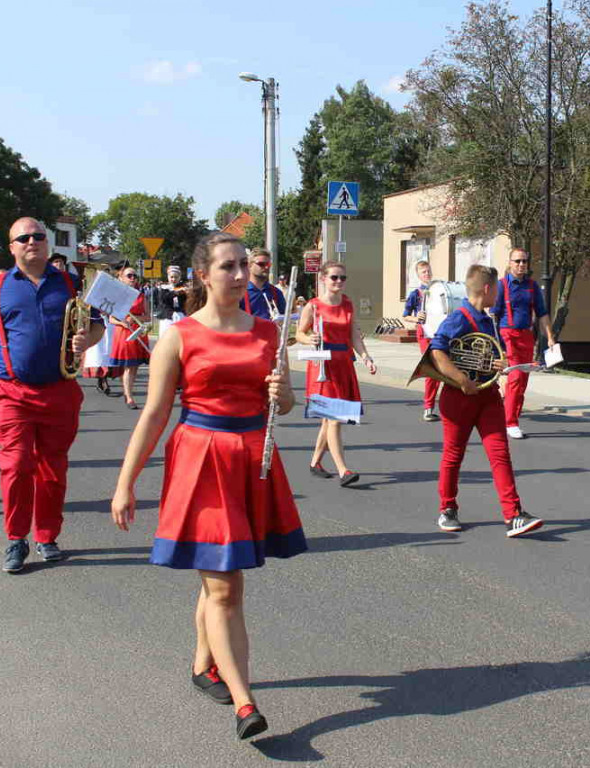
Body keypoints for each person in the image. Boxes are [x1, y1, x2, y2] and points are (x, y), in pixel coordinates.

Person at [111, 232, 305, 741]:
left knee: (219, 574)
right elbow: (154, 414)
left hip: (251, 459)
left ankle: (203, 664)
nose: (241, 275)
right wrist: (125, 483)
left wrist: (285, 394)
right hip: (202, 459)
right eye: (228, 267)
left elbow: (282, 406)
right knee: (225, 584)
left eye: (245, 265)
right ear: (203, 274)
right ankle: (245, 703)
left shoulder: (268, 332)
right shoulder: (178, 335)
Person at [0, 217, 103, 574]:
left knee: (52, 469)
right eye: (23, 237)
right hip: (12, 392)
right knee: (15, 466)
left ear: (47, 242)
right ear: (11, 247)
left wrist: (89, 339)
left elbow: (97, 323)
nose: (32, 242)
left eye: (38, 236)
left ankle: (47, 535)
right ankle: (16, 538)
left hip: (59, 391)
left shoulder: (71, 283)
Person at [430, 264, 544, 538]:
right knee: (453, 455)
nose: (500, 292)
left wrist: (497, 364)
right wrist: (462, 380)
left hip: (488, 394)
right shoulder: (459, 317)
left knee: (500, 454)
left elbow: (482, 354)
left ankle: (513, 515)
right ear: (487, 288)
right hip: (460, 396)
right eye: (497, 287)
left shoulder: (488, 318)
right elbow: (437, 353)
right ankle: (447, 509)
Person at [295, 261, 376, 486]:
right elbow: (299, 333)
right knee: (334, 419)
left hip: (343, 365)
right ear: (323, 279)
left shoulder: (348, 304)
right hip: (323, 367)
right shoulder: (313, 306)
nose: (339, 281)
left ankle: (315, 463)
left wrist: (366, 357)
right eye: (334, 277)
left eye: (342, 278)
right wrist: (309, 338)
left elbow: (354, 336)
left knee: (328, 420)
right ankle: (343, 470)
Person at [492, 248, 556, 439]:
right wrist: (498, 344)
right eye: (517, 261)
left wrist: (550, 337)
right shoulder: (502, 285)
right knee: (516, 378)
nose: (521, 265)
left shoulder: (532, 286)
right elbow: (494, 315)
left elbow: (542, 313)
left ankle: (511, 417)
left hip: (526, 336)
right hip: (507, 335)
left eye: (524, 262)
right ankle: (510, 422)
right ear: (510, 263)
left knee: (523, 381)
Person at [401, 259, 441, 421]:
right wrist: (416, 318)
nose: (427, 274)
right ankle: (428, 407)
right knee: (432, 370)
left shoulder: (438, 290)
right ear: (418, 275)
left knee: (444, 370)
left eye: (428, 271)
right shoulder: (415, 294)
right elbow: (405, 316)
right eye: (424, 272)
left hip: (439, 333)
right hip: (424, 333)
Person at [107, 267, 151, 409]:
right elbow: (111, 319)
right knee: (128, 366)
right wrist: (122, 322)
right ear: (122, 278)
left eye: (134, 275)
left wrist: (136, 318)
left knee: (134, 367)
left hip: (137, 332)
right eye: (129, 275)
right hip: (123, 333)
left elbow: (148, 316)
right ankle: (129, 396)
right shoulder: (117, 296)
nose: (132, 278)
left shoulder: (141, 295)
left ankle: (128, 393)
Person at [242, 248, 286, 321]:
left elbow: (284, 318)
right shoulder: (239, 293)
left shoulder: (276, 293)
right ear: (249, 265)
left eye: (268, 264)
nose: (266, 267)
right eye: (261, 264)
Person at [153, 264, 189, 339]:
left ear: (179, 277)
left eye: (176, 277)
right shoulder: (164, 288)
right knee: (166, 339)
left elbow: (185, 303)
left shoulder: (183, 288)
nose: (173, 279)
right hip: (167, 318)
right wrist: (176, 292)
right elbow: (164, 300)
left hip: (180, 317)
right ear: (168, 277)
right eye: (171, 277)